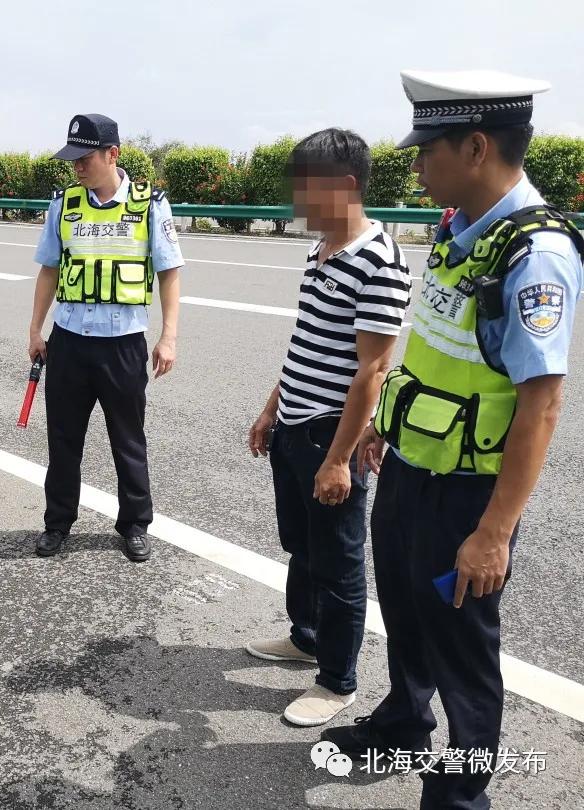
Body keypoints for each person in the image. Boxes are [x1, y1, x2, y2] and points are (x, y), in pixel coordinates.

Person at [322, 70, 584, 810]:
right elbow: (439, 347)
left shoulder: (536, 258)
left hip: (470, 493)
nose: (415, 165)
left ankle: (460, 795)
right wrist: (386, 423)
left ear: (475, 147)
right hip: (411, 465)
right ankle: (405, 722)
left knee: (465, 653)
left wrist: (494, 533)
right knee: (405, 610)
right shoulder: (459, 226)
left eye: (426, 149)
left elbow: (542, 406)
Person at [246, 129, 412, 727]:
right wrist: (272, 407)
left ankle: (337, 679)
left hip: (329, 435)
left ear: (344, 187)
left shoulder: (381, 261)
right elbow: (307, 343)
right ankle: (305, 635)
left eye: (306, 190)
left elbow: (372, 369)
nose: (298, 204)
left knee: (339, 561)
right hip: (294, 424)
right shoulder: (320, 250)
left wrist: (339, 458)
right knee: (301, 545)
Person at [28, 113, 183, 561]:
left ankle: (135, 524)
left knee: (128, 439)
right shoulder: (64, 204)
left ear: (113, 154)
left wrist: (168, 337)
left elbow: (170, 274)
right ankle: (57, 523)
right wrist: (35, 328)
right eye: (72, 159)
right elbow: (49, 269)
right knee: (63, 439)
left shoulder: (149, 205)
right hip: (70, 341)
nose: (77, 167)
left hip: (123, 345)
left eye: (86, 158)